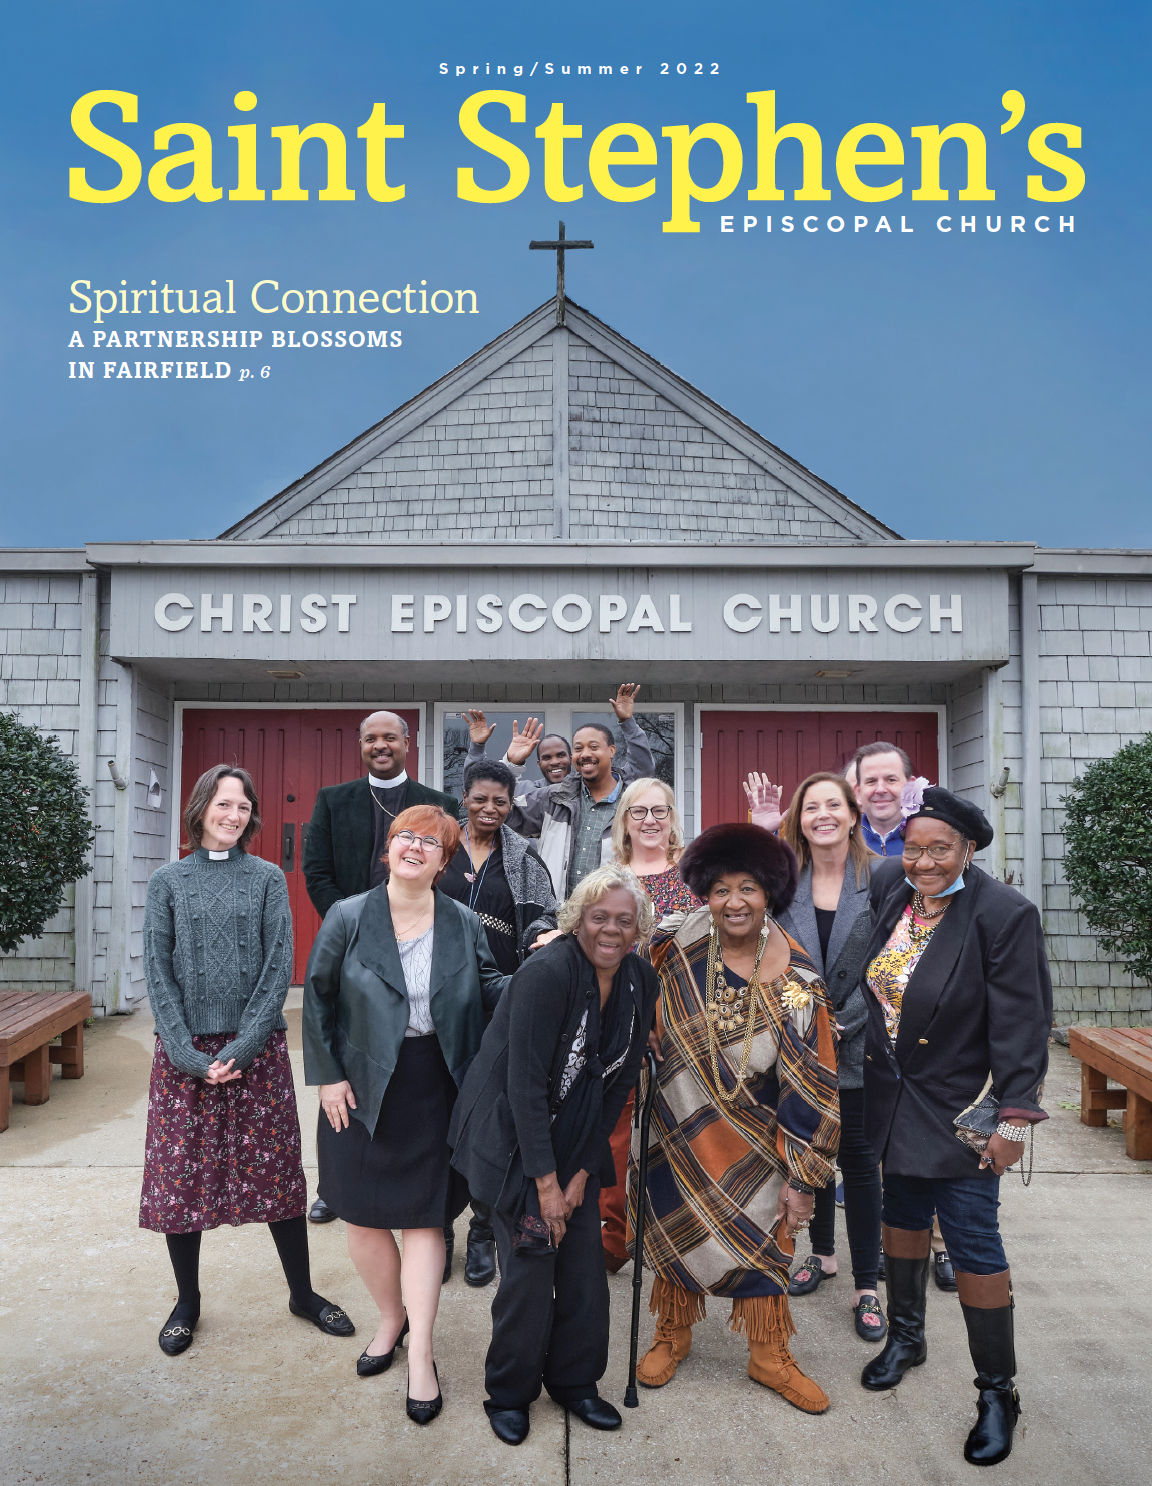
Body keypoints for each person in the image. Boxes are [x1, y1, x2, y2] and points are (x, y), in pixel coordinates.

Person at [859, 785, 1052, 1468]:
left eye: (939, 849)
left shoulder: (1003, 914)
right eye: (913, 849)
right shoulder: (894, 893)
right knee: (902, 1222)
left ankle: (998, 1392)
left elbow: (1024, 1024)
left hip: (962, 1109)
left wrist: (1015, 1118)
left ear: (967, 849)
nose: (925, 861)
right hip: (891, 1102)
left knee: (973, 1244)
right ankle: (907, 1338)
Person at [302, 804, 509, 1423]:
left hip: (437, 1082)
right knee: (363, 1218)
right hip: (360, 1084)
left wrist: (544, 973)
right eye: (405, 837)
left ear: (446, 862)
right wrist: (328, 1077)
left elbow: (491, 979)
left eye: (431, 843)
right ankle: (389, 1320)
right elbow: (318, 998)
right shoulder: (347, 916)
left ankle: (421, 1350)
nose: (415, 847)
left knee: (423, 1221)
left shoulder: (463, 920)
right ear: (388, 849)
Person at [140, 765, 353, 1357]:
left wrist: (243, 1046)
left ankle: (303, 1294)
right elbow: (157, 971)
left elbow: (278, 968)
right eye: (223, 804)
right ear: (201, 806)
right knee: (180, 1182)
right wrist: (186, 1052)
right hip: (184, 1058)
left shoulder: (265, 880)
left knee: (279, 1178)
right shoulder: (167, 882)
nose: (232, 816)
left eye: (242, 807)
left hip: (254, 1055)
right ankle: (188, 1303)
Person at [449, 865, 660, 1447]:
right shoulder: (546, 974)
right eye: (599, 918)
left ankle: (574, 1384)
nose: (611, 930)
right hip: (517, 1141)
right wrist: (547, 1186)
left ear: (638, 927)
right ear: (577, 921)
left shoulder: (642, 980)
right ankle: (510, 1393)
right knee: (531, 1267)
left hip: (578, 1143)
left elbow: (618, 1088)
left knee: (585, 1273)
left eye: (624, 919)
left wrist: (582, 1175)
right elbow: (525, 1088)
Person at [631, 823, 839, 1413]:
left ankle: (768, 1355)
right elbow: (621, 971)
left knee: (764, 1247)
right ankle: (672, 1333)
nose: (734, 903)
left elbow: (813, 1079)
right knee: (674, 1237)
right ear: (704, 893)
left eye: (748, 888)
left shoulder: (797, 980)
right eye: (720, 889)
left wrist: (804, 1177)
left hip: (757, 1144)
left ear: (769, 891)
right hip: (675, 1129)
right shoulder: (673, 942)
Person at [301, 709, 459, 1244]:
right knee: (352, 1063)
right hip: (355, 949)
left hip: (421, 939)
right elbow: (315, 871)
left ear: (407, 744)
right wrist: (354, 924)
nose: (380, 745)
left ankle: (432, 1207)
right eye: (371, 738)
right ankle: (340, 1185)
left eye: (390, 737)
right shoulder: (333, 799)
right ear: (361, 745)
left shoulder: (437, 803)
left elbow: (451, 876)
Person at [761, 771, 885, 1342]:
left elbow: (892, 963)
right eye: (811, 807)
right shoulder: (787, 885)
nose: (823, 815)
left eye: (833, 805)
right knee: (809, 1153)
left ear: (853, 814)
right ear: (800, 819)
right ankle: (821, 1255)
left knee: (857, 1164)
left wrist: (844, 1020)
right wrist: (808, 1015)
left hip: (863, 1043)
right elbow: (770, 953)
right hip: (802, 1041)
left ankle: (866, 1285)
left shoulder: (882, 879)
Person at [437, 757, 560, 1286]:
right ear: (463, 797)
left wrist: (537, 941)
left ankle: (483, 1229)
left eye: (501, 801)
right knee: (438, 1112)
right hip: (435, 999)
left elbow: (548, 915)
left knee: (490, 1114)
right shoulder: (436, 847)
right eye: (480, 798)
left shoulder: (525, 856)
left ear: (513, 806)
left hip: (498, 997)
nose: (490, 809)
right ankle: (437, 1225)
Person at [598, 776, 700, 1273]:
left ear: (673, 817)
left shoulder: (695, 876)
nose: (650, 821)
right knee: (617, 1135)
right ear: (624, 821)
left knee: (680, 1130)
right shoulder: (610, 877)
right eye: (639, 812)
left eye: (660, 811)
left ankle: (672, 1234)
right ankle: (613, 1237)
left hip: (684, 1019)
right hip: (621, 1019)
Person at [461, 686, 656, 894]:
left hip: (611, 915)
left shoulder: (632, 800)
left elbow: (643, 767)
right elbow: (489, 806)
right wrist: (509, 763)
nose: (585, 754)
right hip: (557, 918)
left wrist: (628, 724)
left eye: (594, 746)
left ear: (611, 751)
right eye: (579, 748)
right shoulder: (552, 799)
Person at [852, 741, 914, 857]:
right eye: (871, 781)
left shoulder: (932, 838)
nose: (880, 790)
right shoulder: (844, 842)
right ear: (858, 792)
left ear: (910, 787)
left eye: (891, 780)